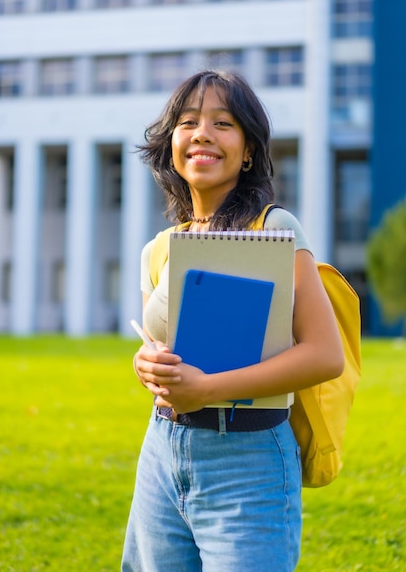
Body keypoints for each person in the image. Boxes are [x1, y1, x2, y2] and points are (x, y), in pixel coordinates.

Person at [121, 70, 344, 572]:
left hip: (248, 459)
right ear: (172, 145)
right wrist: (147, 365)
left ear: (247, 151)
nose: (202, 132)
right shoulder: (157, 249)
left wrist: (207, 389)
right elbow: (163, 347)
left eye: (222, 122)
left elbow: (324, 354)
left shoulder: (273, 228)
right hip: (162, 450)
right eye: (188, 122)